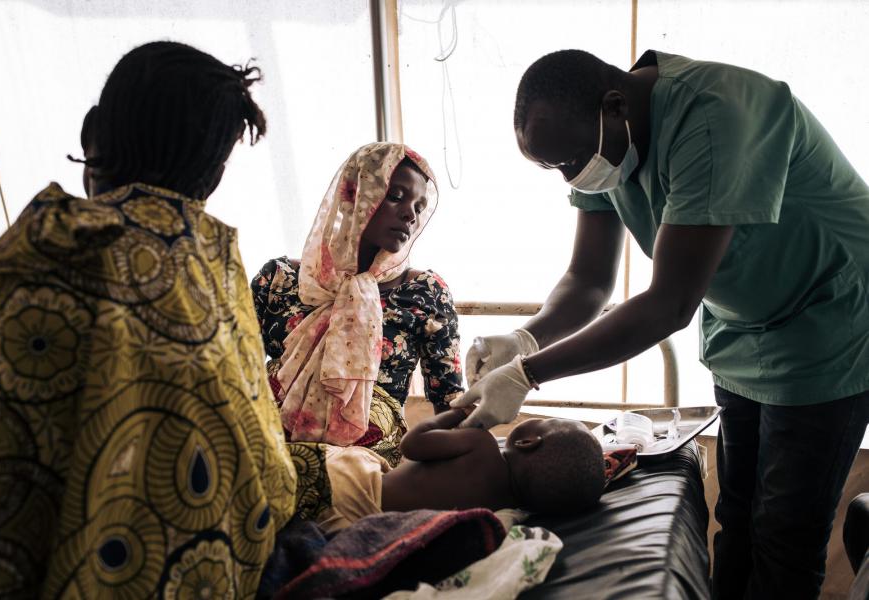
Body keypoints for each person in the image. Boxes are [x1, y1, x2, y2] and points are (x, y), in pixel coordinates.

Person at [450, 49, 869, 599]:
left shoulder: (719, 114)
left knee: (786, 531)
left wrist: (527, 375)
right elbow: (587, 280)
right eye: (555, 169)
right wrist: (526, 337)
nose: (572, 177)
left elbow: (668, 304)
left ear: (615, 104)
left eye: (572, 159)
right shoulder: (603, 138)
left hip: (833, 320)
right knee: (738, 511)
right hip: (744, 327)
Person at [0, 41, 296, 598]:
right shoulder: (215, 266)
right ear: (214, 175)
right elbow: (273, 482)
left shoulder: (38, 250)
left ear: (93, 138)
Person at [251, 142, 463, 462]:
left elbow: (449, 402)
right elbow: (240, 373)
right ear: (355, 194)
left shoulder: (424, 292)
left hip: (370, 470)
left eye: (420, 208)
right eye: (396, 197)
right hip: (269, 451)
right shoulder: (279, 279)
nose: (410, 214)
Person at [316, 411, 604, 533]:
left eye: (543, 420)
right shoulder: (502, 514)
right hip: (354, 523)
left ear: (528, 441)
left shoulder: (481, 445)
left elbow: (411, 445)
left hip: (349, 484)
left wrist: (458, 413)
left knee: (331, 457)